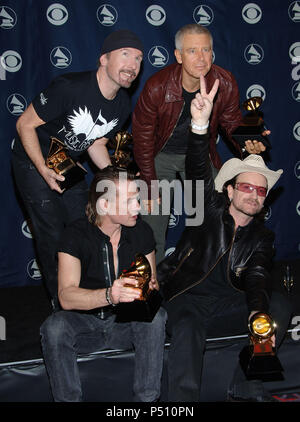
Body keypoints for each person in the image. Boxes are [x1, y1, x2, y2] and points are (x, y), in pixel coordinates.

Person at [157, 75, 291, 402]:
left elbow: (257, 275)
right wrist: (200, 124)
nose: (253, 194)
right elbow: (199, 169)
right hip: (188, 297)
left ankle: (246, 386)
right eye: (246, 187)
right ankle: (182, 404)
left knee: (279, 304)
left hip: (228, 301)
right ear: (229, 189)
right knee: (187, 327)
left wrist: (256, 313)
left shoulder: (262, 236)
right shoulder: (208, 208)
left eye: (260, 191)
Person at [11, 29, 144, 307]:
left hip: (65, 161)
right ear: (104, 59)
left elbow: (95, 143)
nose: (133, 65)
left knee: (87, 223)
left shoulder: (122, 104)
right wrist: (41, 168)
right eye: (125, 55)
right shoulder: (69, 87)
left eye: (139, 59)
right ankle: (60, 304)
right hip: (31, 158)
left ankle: (89, 296)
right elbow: (25, 124)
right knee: (52, 235)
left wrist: (117, 179)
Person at [132, 23, 268, 264]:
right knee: (153, 216)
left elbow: (231, 123)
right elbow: (142, 138)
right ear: (178, 55)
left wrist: (248, 143)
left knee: (212, 215)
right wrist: (150, 183)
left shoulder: (224, 82)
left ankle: (208, 273)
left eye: (206, 50)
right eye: (192, 51)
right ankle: (150, 281)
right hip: (160, 155)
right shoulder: (157, 86)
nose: (201, 58)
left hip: (198, 154)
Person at [40, 166, 167, 402]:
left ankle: (148, 401)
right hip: (84, 324)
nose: (138, 207)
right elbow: (66, 297)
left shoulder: (142, 232)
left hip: (124, 324)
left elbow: (153, 282)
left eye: (137, 199)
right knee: (55, 327)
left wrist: (147, 290)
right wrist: (110, 295)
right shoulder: (75, 234)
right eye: (129, 201)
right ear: (104, 205)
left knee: (156, 318)